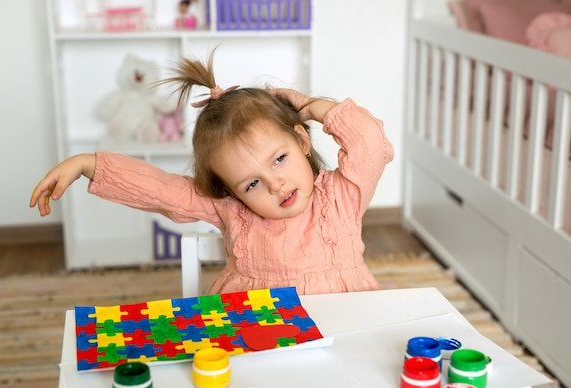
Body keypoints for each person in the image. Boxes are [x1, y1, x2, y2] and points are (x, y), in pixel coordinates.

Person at [29, 53, 394, 295]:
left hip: (348, 331)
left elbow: (370, 144)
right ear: (230, 190)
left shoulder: (342, 197)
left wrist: (314, 106)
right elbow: (162, 190)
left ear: (301, 139)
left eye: (279, 159)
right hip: (252, 340)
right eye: (251, 183)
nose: (274, 184)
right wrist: (88, 165)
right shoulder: (231, 208)